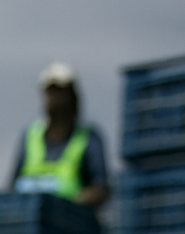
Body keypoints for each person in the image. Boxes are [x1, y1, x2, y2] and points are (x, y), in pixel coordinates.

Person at [9, 63, 111, 208]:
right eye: (51, 92)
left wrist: (73, 204)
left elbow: (101, 189)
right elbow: (12, 187)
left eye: (61, 92)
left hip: (70, 226)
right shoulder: (31, 136)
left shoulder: (88, 138)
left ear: (73, 97)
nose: (55, 99)